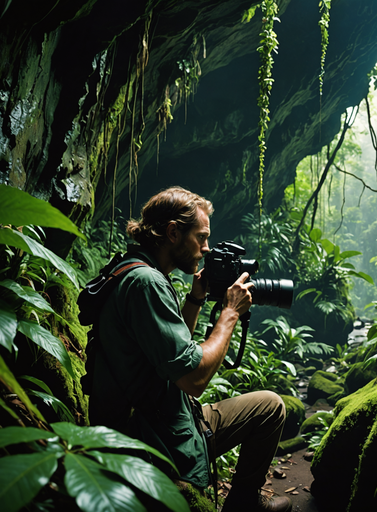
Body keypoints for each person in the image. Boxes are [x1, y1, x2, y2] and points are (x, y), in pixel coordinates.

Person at [88, 186, 292, 512]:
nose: (206, 249)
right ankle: (242, 506)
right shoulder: (147, 284)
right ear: (172, 232)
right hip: (152, 436)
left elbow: (168, 351)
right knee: (271, 407)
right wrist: (229, 313)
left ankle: (243, 502)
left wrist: (196, 298)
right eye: (201, 237)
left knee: (267, 407)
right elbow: (194, 379)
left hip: (161, 414)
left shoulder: (134, 270)